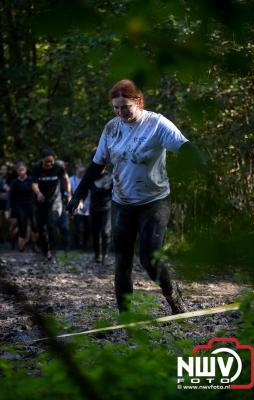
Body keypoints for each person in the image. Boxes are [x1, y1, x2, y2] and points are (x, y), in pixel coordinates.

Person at [68, 79, 206, 314]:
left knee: (149, 258)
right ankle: (126, 315)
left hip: (154, 200)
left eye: (125, 108)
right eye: (116, 108)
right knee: (122, 261)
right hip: (122, 201)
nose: (121, 113)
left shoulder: (157, 124)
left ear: (138, 102)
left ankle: (172, 294)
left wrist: (201, 164)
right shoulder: (112, 128)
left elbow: (184, 146)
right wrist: (79, 194)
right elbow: (97, 164)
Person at [32, 148, 71, 260]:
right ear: (42, 160)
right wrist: (38, 193)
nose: (49, 164)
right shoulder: (36, 168)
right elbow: (34, 184)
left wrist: (69, 194)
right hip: (41, 202)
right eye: (47, 162)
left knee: (51, 224)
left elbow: (66, 179)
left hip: (55, 202)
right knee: (41, 227)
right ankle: (45, 251)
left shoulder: (58, 167)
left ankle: (52, 250)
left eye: (51, 161)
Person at [5, 162, 38, 251]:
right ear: (17, 171)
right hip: (20, 207)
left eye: (22, 170)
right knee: (22, 227)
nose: (21, 172)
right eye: (19, 170)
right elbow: (10, 196)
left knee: (35, 226)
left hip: (31, 206)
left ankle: (35, 245)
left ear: (26, 170)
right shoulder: (15, 182)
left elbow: (37, 192)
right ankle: (21, 247)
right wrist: (8, 209)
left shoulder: (31, 180)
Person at [89, 165, 112, 265]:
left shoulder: (110, 177)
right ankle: (97, 254)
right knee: (95, 233)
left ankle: (105, 255)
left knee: (105, 232)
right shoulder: (90, 176)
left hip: (107, 208)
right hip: (94, 208)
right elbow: (84, 189)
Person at [70, 164, 91, 250]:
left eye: (83, 172)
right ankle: (77, 245)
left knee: (87, 228)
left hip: (87, 206)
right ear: (76, 170)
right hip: (76, 207)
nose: (82, 173)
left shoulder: (87, 180)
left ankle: (85, 244)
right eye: (80, 171)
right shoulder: (71, 180)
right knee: (77, 227)